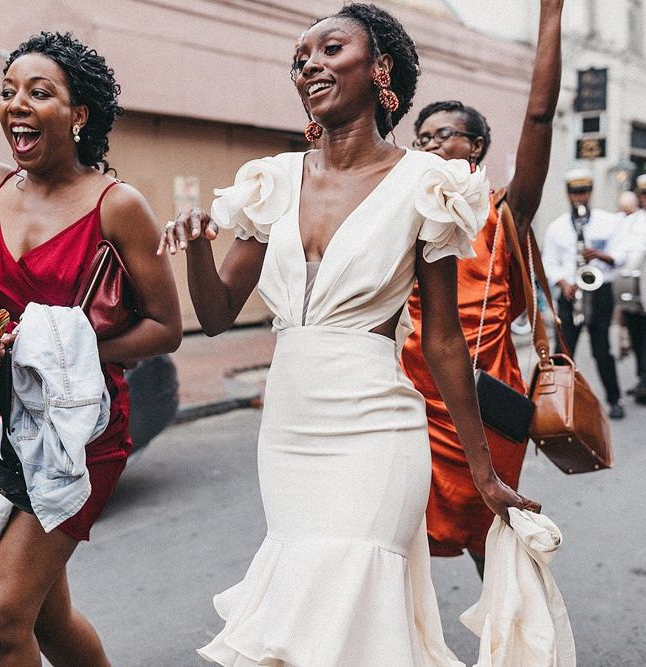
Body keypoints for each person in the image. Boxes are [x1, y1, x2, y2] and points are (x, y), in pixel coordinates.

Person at [160, 4, 539, 664]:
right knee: (305, 624)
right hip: (290, 431)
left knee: (353, 610)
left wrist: (482, 469)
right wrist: (196, 245)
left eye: (330, 48)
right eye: (300, 57)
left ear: (380, 68)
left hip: (376, 429)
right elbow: (218, 314)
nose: (309, 63)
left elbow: (444, 340)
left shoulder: (429, 184)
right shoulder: (267, 182)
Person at [0, 32, 181, 665]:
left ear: (79, 113)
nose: (17, 105)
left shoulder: (118, 207)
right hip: (1, 424)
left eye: (39, 92)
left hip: (80, 431)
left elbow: (166, 328)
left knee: (0, 622)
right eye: (8, 92)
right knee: (47, 618)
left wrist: (56, 346)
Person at [401, 0, 564, 578]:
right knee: (394, 541)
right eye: (422, 137)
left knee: (490, 539)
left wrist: (551, 15)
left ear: (475, 147)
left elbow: (540, 117)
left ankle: (513, 642)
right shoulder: (403, 216)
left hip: (483, 403)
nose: (431, 145)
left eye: (446, 134)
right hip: (406, 404)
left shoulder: (504, 213)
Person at [542, 168, 625, 418]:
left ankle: (614, 400)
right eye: (575, 193)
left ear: (591, 192)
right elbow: (549, 262)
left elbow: (621, 255)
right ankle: (557, 405)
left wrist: (600, 255)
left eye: (584, 191)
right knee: (564, 351)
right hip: (570, 295)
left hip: (600, 293)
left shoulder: (608, 221)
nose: (580, 197)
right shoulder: (556, 228)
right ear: (568, 195)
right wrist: (563, 283)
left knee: (601, 350)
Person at [615, 174, 646, 402]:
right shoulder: (633, 220)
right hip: (636, 294)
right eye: (643, 194)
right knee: (637, 338)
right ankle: (642, 378)